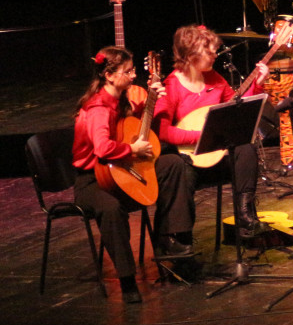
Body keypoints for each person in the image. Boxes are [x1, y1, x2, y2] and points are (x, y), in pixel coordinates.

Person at [72, 47, 194, 303]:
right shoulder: (97, 107)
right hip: (94, 180)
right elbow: (103, 149)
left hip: (123, 170)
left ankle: (170, 237)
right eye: (128, 71)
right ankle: (127, 279)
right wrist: (132, 149)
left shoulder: (122, 98)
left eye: (133, 69)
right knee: (111, 208)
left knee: (173, 163)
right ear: (109, 75)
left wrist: (154, 99)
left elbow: (134, 126)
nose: (133, 75)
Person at [154, 25, 270, 240]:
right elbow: (163, 132)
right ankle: (180, 239)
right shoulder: (171, 85)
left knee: (245, 146)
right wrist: (202, 135)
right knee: (181, 173)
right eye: (210, 51)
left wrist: (258, 85)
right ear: (191, 54)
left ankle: (245, 217)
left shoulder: (215, 79)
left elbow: (236, 108)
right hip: (189, 160)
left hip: (217, 156)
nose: (215, 55)